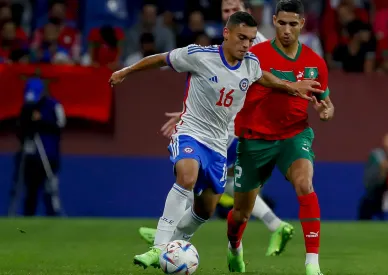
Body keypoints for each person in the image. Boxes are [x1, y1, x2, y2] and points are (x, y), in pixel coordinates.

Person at [108, 11, 324, 269]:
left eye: (250, 39)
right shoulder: (199, 56)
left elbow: (264, 77)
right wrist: (126, 70)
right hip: (191, 132)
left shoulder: (250, 64)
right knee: (187, 177)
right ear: (227, 33)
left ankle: (175, 244)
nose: (246, 44)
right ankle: (159, 247)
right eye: (241, 37)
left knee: (206, 209)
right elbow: (160, 59)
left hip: (219, 145)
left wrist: (291, 87)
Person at [139, 0, 295, 257]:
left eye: (234, 9)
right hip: (228, 124)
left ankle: (171, 236)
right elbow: (223, 87)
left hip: (239, 127)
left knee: (203, 176)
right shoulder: (224, 46)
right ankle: (174, 236)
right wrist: (190, 110)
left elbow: (264, 83)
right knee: (212, 180)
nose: (229, 14)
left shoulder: (256, 44)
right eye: (224, 11)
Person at [226, 1, 334, 274]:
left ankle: (312, 265)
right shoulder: (255, 55)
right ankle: (234, 248)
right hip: (254, 139)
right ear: (273, 21)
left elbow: (326, 102)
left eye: (292, 24)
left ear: (302, 24)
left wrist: (326, 110)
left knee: (305, 184)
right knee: (241, 214)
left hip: (294, 135)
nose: (286, 30)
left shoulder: (315, 62)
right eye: (281, 23)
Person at [10, 77, 65, 216]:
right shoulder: (27, 108)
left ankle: (53, 217)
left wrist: (41, 120)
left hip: (49, 155)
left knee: (49, 190)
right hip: (31, 156)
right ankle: (28, 219)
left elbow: (59, 125)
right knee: (30, 190)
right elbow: (20, 131)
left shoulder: (53, 105)